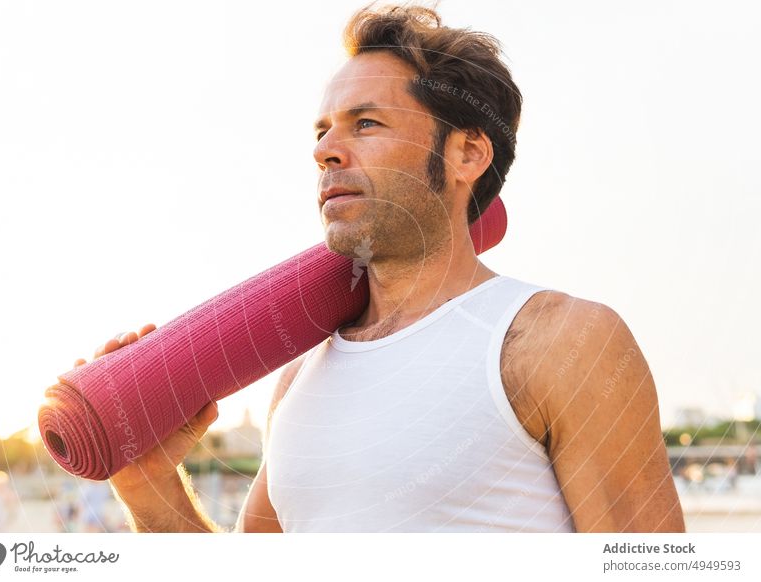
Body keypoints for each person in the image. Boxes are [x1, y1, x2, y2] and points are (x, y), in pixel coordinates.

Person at [74, 4, 684, 533]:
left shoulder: (557, 340)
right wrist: (148, 480)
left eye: (366, 123)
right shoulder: (298, 379)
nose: (324, 150)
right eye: (322, 131)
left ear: (467, 152)